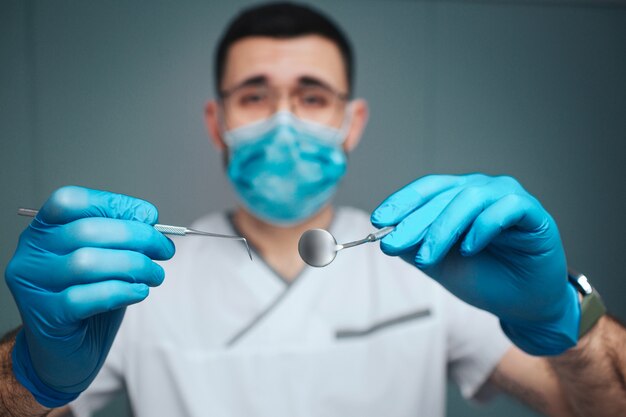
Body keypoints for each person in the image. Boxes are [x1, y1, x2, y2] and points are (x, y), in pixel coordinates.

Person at [1, 2, 625, 417]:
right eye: (254, 95)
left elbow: (590, 407)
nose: (283, 123)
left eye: (311, 95)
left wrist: (572, 321)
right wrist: (33, 370)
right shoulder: (137, 275)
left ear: (351, 124)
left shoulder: (437, 266)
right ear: (217, 124)